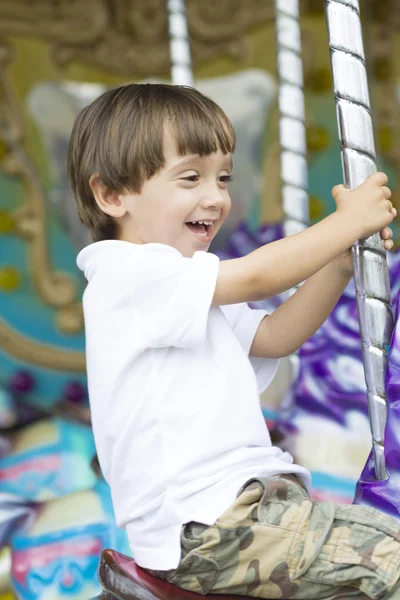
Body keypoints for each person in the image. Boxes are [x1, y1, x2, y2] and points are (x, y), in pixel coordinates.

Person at [68, 83, 400, 599]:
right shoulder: (126, 275)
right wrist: (343, 225)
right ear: (113, 196)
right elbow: (255, 279)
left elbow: (276, 334)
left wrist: (338, 265)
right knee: (389, 559)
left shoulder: (182, 288)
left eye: (222, 177)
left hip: (247, 510)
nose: (216, 196)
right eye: (190, 178)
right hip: (211, 524)